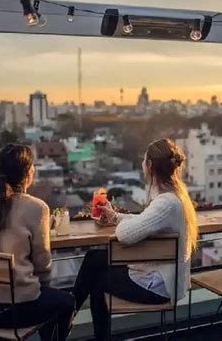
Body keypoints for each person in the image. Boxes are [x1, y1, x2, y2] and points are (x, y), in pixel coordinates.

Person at [73, 138, 198, 340]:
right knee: (93, 258)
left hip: (158, 286)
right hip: (160, 276)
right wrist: (115, 217)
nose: (142, 165)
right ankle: (67, 317)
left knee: (97, 281)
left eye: (144, 160)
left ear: (150, 165)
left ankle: (67, 322)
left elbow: (125, 234)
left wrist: (119, 224)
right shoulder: (174, 195)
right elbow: (146, 221)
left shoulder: (166, 202)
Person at [0, 144, 75, 340]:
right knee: (66, 302)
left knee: (47, 299)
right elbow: (43, 263)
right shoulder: (36, 207)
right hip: (11, 311)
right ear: (28, 172)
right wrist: (43, 288)